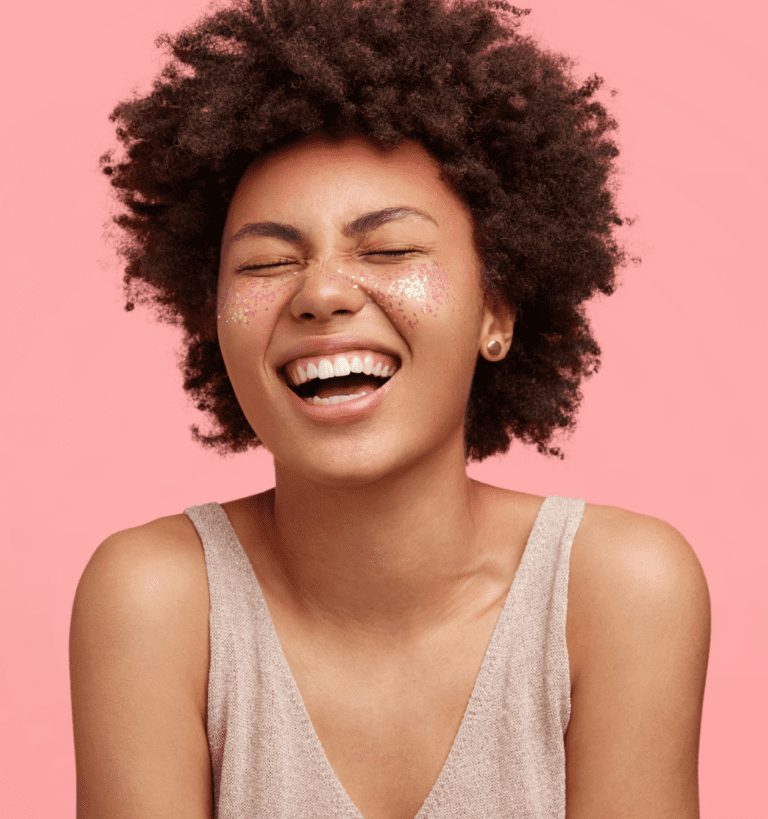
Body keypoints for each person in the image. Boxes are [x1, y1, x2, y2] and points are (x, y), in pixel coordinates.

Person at [68, 1, 711, 817]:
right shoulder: (154, 599)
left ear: (497, 311)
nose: (321, 292)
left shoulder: (619, 591)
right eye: (266, 261)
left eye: (392, 249)